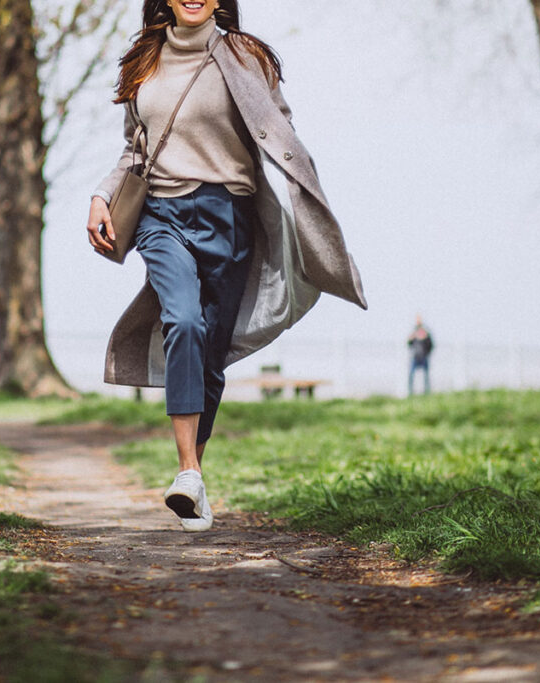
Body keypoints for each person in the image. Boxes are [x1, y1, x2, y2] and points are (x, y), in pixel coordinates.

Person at [86, 0, 366, 532]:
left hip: (228, 218)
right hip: (160, 216)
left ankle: (193, 476)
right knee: (183, 321)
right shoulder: (143, 59)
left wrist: (307, 200)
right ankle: (188, 472)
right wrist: (102, 195)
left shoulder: (245, 57)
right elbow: (133, 150)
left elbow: (280, 135)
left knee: (210, 347)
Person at [407, 316, 433, 396]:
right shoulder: (414, 333)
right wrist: (411, 338)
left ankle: (427, 392)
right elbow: (409, 344)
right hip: (415, 357)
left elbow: (430, 345)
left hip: (424, 357)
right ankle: (410, 392)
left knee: (426, 376)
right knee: (411, 375)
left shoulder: (426, 333)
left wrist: (427, 353)